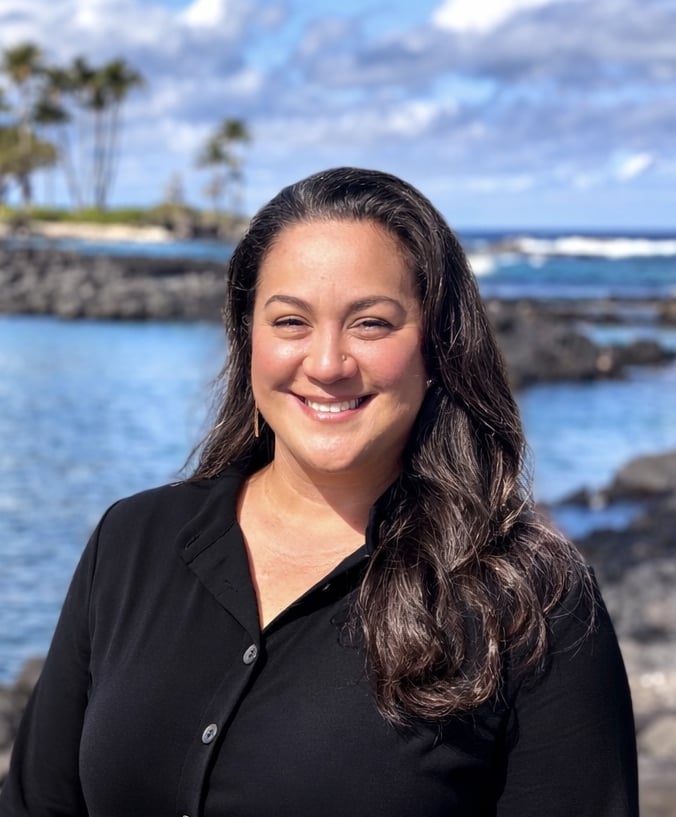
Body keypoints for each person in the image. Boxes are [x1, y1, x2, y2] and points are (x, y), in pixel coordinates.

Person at [0, 167, 637, 817]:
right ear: (248, 335)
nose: (328, 364)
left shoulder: (532, 599)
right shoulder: (133, 541)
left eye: (371, 323)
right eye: (291, 321)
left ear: (437, 344)